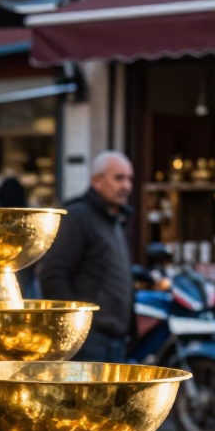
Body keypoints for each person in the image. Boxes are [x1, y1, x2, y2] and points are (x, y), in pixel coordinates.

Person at [39, 151, 135, 361]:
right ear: (97, 181)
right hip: (88, 343)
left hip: (115, 341)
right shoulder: (77, 216)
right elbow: (52, 275)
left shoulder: (115, 219)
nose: (126, 186)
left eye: (129, 179)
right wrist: (74, 328)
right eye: (119, 178)